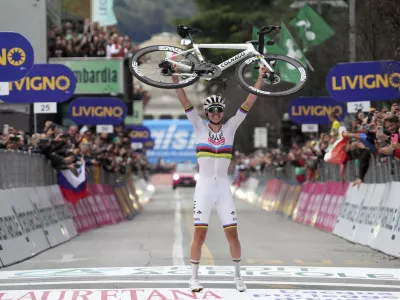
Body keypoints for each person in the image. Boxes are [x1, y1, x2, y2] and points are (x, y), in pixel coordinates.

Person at [172, 66, 266, 292]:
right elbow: (183, 99)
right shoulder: (199, 127)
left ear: (223, 112)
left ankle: (238, 277)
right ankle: (194, 278)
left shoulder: (231, 127)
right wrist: (175, 77)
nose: (215, 113)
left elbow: (249, 103)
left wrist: (261, 78)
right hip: (203, 186)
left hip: (223, 187)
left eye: (219, 110)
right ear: (206, 112)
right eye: (212, 110)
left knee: (232, 234)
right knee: (200, 234)